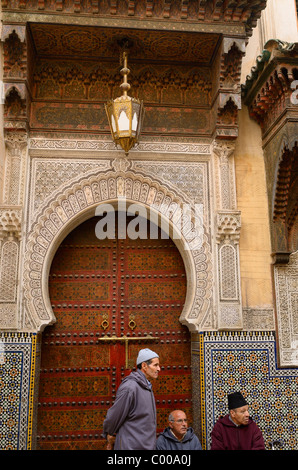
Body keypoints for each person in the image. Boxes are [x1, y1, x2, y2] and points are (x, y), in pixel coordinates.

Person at [102, 348, 160, 450]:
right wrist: (109, 433)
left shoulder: (146, 386)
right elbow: (115, 415)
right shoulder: (130, 387)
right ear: (144, 366)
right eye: (155, 365)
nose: (159, 369)